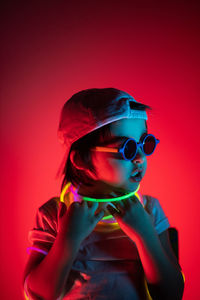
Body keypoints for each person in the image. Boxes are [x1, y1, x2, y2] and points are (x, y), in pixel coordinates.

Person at [23, 88, 185, 300]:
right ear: (81, 159)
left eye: (146, 144)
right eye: (126, 149)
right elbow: (37, 296)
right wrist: (68, 238)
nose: (139, 158)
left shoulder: (149, 211)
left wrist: (145, 236)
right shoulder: (55, 215)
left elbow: (171, 294)